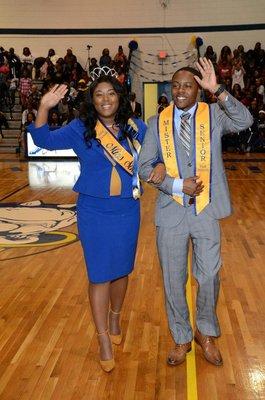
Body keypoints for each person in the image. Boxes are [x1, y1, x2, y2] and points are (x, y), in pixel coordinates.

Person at [27, 73, 165, 372]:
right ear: (92, 99)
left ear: (121, 98)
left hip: (127, 209)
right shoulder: (81, 128)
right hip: (94, 211)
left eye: (111, 93)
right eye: (99, 94)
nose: (105, 99)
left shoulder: (134, 127)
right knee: (100, 274)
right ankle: (103, 337)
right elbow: (43, 140)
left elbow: (157, 152)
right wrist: (44, 106)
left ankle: (116, 316)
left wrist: (161, 163)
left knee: (122, 270)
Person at [139, 57, 253, 367]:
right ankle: (181, 337)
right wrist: (175, 185)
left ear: (198, 90)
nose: (180, 90)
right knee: (173, 279)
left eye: (187, 85)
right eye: (175, 86)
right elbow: (143, 167)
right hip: (170, 211)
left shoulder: (214, 114)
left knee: (209, 276)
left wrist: (218, 89)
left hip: (206, 211)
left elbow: (245, 120)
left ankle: (206, 332)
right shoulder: (156, 122)